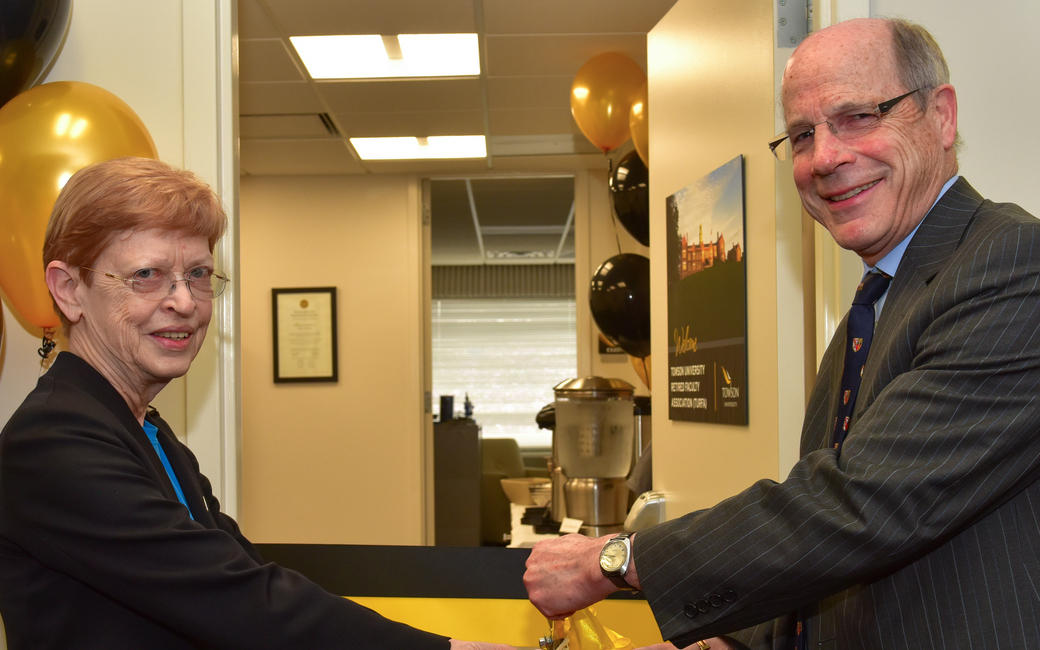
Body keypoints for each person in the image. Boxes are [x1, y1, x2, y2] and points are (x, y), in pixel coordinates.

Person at [525, 16, 1040, 649]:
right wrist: (734, 643)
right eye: (802, 134)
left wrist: (615, 560)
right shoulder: (876, 303)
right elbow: (842, 559)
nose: (824, 157)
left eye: (858, 116)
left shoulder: (1014, 264)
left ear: (941, 116)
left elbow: (863, 506)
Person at [0, 157, 513, 650]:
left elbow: (241, 569)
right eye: (147, 275)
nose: (184, 301)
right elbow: (239, 602)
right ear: (69, 289)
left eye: (199, 274)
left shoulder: (148, 431)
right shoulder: (52, 440)